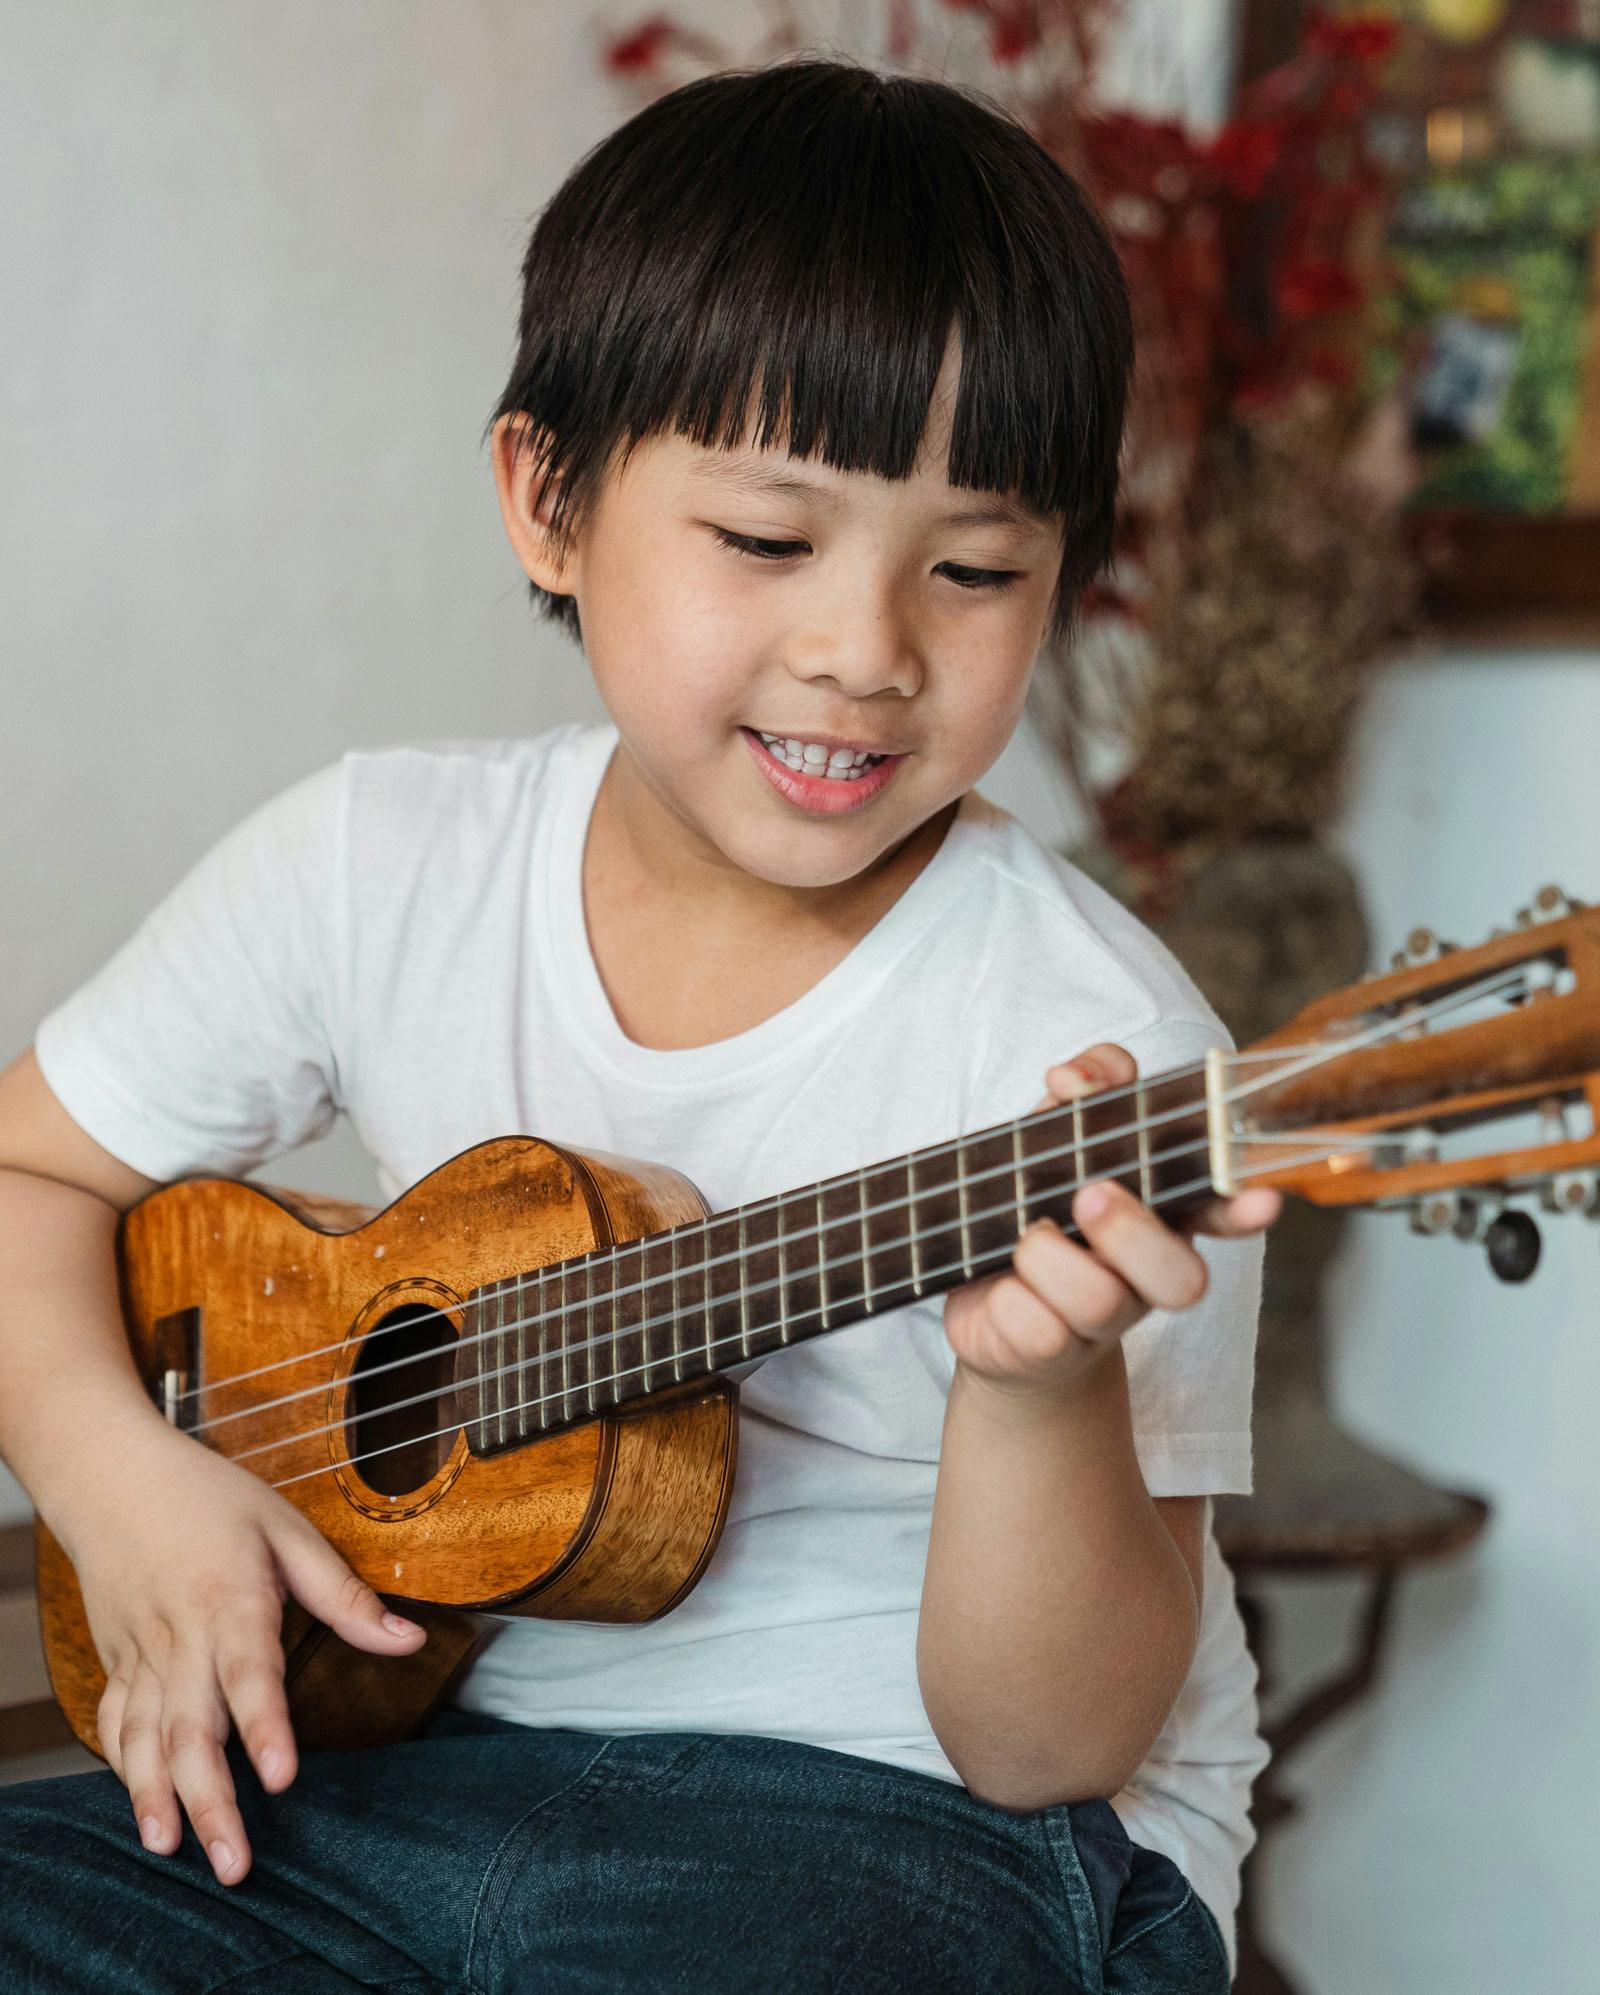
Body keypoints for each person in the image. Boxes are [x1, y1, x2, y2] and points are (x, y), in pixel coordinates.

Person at [0, 56, 1280, 1994]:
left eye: (975, 567)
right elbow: (33, 1165)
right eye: (766, 541)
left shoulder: (1092, 1053)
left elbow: (1046, 1744)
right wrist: (120, 1473)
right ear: (548, 499)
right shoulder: (379, 855)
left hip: (911, 1821)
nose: (864, 648)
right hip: (400, 1759)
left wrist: (1035, 1388)